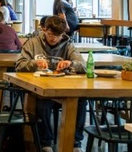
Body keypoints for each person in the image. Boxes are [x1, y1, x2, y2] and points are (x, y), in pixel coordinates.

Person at [15, 15, 86, 152]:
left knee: (81, 100)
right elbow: (19, 65)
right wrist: (35, 63)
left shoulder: (68, 45)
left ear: (63, 34)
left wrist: (71, 63)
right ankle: (45, 142)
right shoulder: (33, 43)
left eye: (57, 35)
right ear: (44, 30)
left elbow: (83, 65)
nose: (53, 38)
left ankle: (75, 142)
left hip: (63, 88)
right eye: (50, 34)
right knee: (43, 101)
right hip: (40, 89)